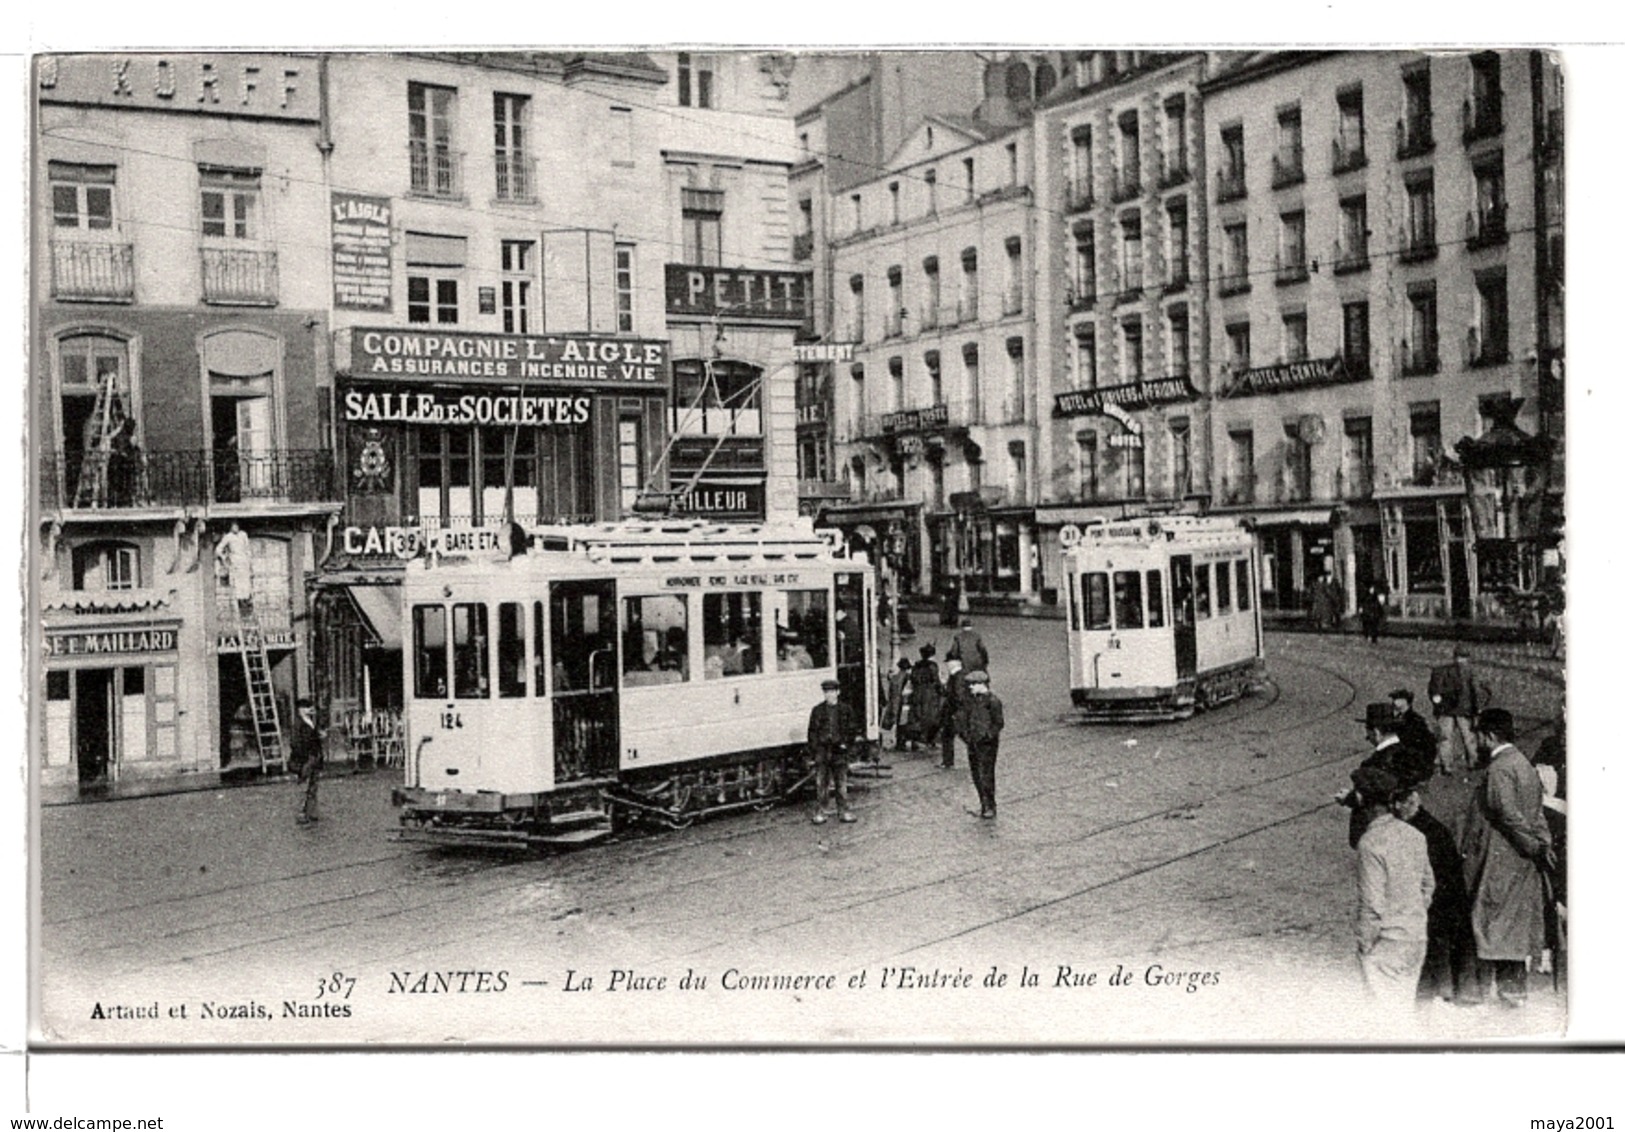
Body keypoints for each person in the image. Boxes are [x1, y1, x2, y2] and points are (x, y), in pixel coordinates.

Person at [1457, 708, 1556, 1008]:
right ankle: (1513, 992)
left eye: (1478, 735)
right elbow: (1536, 812)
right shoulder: (1523, 764)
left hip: (1500, 859)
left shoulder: (1499, 769)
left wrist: (1533, 846)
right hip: (1522, 862)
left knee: (1486, 922)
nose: (1475, 741)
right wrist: (1543, 843)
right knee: (1512, 927)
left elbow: (1506, 813)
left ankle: (1476, 995)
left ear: (1488, 736)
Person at [1352, 767, 1435, 1015]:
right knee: (1403, 1010)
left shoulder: (1370, 844)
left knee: (1382, 1019)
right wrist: (1413, 914)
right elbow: (1428, 884)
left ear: (1360, 799)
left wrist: (1366, 945)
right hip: (1416, 937)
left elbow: (1372, 904)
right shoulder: (1415, 835)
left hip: (1386, 942)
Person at [1406, 788, 1474, 1004]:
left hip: (1439, 902)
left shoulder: (1421, 832)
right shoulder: (1428, 826)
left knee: (1434, 944)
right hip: (1446, 898)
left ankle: (1434, 992)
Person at [1338, 703, 1433, 850]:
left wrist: (1348, 798)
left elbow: (1374, 798)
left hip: (1382, 834)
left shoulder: (1375, 762)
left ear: (1376, 732)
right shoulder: (1408, 753)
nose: (1367, 737)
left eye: (1368, 732)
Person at [1428, 645, 1491, 776]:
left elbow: (1434, 692)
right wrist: (1479, 709)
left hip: (1447, 710)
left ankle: (1447, 766)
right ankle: (1473, 763)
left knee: (1446, 738)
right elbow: (1478, 692)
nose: (1461, 660)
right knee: (1469, 738)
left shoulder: (1443, 671)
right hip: (1465, 711)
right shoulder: (1471, 672)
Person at [806, 678, 858, 824]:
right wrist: (815, 750)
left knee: (841, 784)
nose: (829, 695)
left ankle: (844, 811)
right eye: (826, 692)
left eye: (832, 692)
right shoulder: (817, 710)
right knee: (821, 784)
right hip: (823, 752)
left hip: (839, 752)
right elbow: (812, 732)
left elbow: (852, 730)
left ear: (838, 692)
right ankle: (821, 812)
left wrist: (846, 745)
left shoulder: (846, 710)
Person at [961, 670, 1004, 819]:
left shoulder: (993, 701)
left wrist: (988, 736)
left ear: (982, 684)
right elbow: (966, 719)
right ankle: (983, 803)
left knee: (985, 774)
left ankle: (989, 805)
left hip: (987, 745)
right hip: (973, 742)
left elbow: (998, 723)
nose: (970, 687)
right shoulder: (972, 701)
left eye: (973, 684)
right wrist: (967, 736)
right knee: (976, 774)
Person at [1388, 689, 1438, 769]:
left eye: (1397, 699)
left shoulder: (1415, 720)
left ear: (1405, 701)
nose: (1394, 702)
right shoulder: (1399, 717)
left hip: (1414, 758)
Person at [294, 696, 325, 825]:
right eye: (307, 707)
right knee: (305, 785)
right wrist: (304, 757)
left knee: (313, 785)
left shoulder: (309, 722)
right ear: (300, 709)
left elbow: (312, 736)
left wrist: (318, 735)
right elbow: (297, 742)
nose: (310, 710)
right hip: (307, 758)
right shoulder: (299, 724)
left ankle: (311, 812)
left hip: (314, 756)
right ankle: (303, 812)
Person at [909, 643, 944, 749]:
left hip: (917, 692)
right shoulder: (932, 666)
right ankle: (929, 739)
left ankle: (916, 738)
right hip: (929, 694)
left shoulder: (916, 665)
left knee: (917, 715)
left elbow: (913, 678)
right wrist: (942, 690)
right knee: (931, 716)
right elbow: (936, 680)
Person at [215, 521, 254, 610]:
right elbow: (218, 549)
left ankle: (247, 601)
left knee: (246, 583)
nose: (235, 528)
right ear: (230, 527)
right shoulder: (228, 537)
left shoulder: (243, 535)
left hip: (244, 561)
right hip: (235, 562)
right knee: (238, 584)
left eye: (237, 525)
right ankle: (240, 603)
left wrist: (250, 563)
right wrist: (225, 558)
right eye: (233, 526)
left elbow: (247, 548)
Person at [939, 656, 969, 770]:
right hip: (953, 711)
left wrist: (954, 712)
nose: (947, 665)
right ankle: (947, 761)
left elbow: (958, 696)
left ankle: (948, 762)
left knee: (960, 735)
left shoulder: (958, 677)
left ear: (955, 663)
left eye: (949, 663)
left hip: (955, 712)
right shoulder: (955, 676)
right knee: (949, 735)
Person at [881, 657, 912, 748]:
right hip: (903, 702)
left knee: (896, 722)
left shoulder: (894, 678)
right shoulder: (907, 677)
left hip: (894, 702)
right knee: (903, 723)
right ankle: (901, 742)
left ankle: (897, 741)